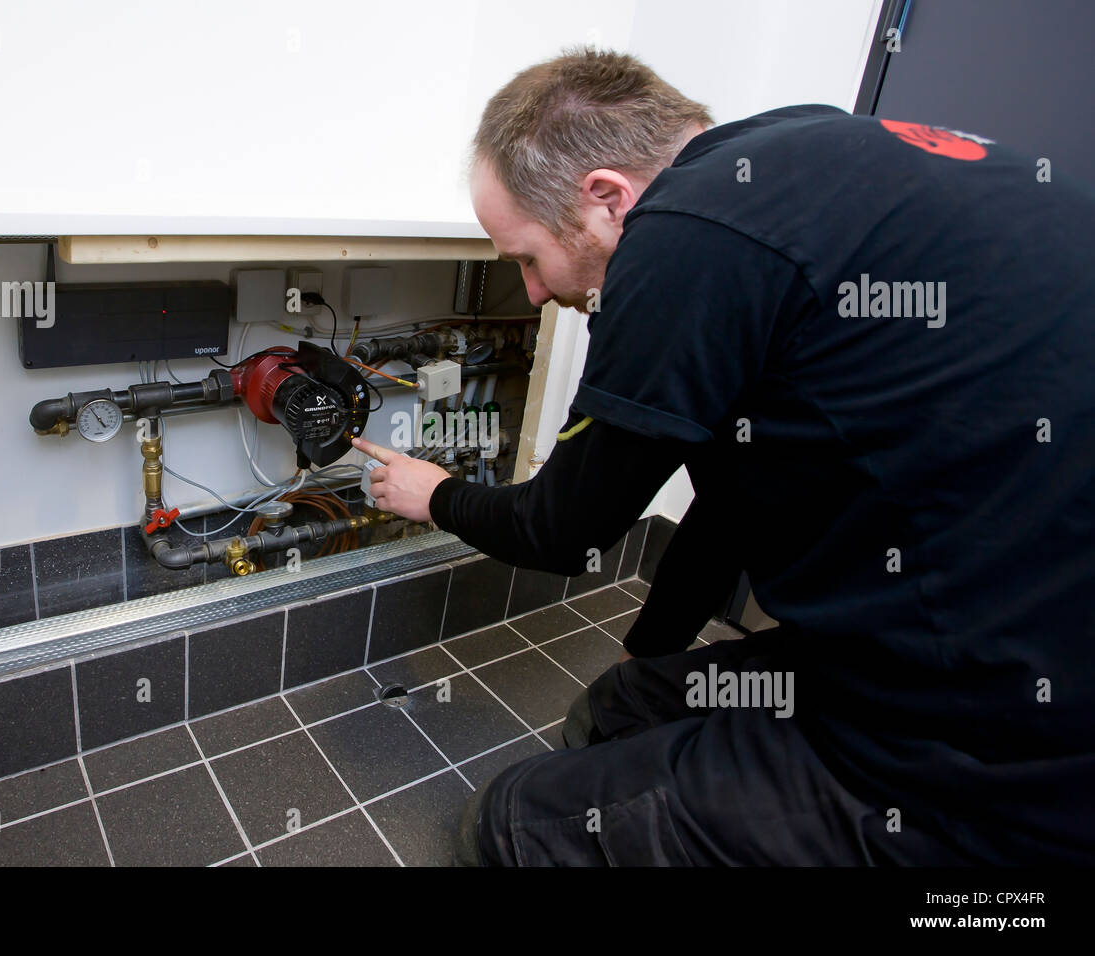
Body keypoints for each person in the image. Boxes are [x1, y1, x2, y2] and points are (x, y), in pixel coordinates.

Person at [350, 46, 1095, 866]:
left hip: (992, 740)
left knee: (511, 827)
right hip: (959, 637)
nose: (530, 292)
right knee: (623, 705)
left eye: (526, 258)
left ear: (606, 199)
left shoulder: (686, 232)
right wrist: (653, 651)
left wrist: (437, 493)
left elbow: (564, 531)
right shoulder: (799, 158)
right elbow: (742, 487)